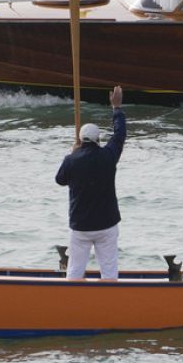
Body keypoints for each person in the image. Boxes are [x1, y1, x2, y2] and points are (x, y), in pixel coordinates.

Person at [55, 86, 127, 280]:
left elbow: (59, 179)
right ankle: (109, 305)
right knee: (109, 271)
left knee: (75, 271)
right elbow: (120, 136)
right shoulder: (108, 156)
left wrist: (72, 153)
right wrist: (117, 109)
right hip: (107, 223)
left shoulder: (71, 160)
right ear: (98, 139)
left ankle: (73, 305)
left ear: (80, 140)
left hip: (81, 225)